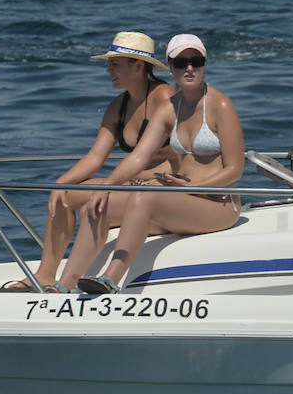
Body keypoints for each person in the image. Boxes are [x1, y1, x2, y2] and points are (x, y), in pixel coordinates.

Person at [63, 33, 245, 294]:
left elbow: (235, 170)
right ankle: (66, 283)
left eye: (196, 61)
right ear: (170, 67)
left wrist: (188, 189)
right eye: (181, 63)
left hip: (219, 203)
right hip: (180, 199)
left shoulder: (221, 105)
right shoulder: (169, 109)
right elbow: (138, 157)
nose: (190, 68)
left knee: (144, 197)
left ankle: (111, 278)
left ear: (205, 63)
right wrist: (107, 187)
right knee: (95, 207)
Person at [0, 31, 175, 292]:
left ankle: (66, 283)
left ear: (138, 66)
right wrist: (60, 183)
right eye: (108, 63)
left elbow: (184, 158)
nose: (108, 69)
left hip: (160, 188)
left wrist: (124, 182)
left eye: (115, 63)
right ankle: (45, 273)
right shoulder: (118, 106)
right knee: (65, 195)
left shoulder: (165, 98)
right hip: (130, 183)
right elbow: (95, 157)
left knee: (95, 202)